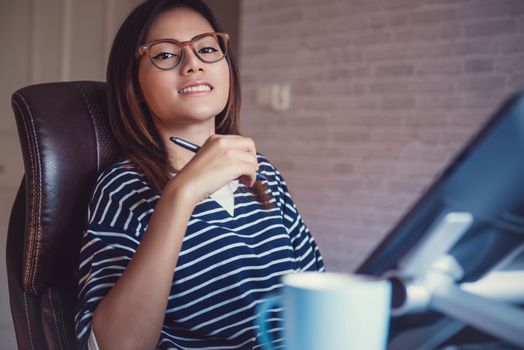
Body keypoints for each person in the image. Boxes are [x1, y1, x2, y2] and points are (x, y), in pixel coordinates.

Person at [75, 0, 324, 349]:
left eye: (207, 48)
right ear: (135, 87)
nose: (193, 64)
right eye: (164, 55)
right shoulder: (123, 186)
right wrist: (181, 194)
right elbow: (117, 344)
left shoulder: (261, 171)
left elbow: (317, 296)